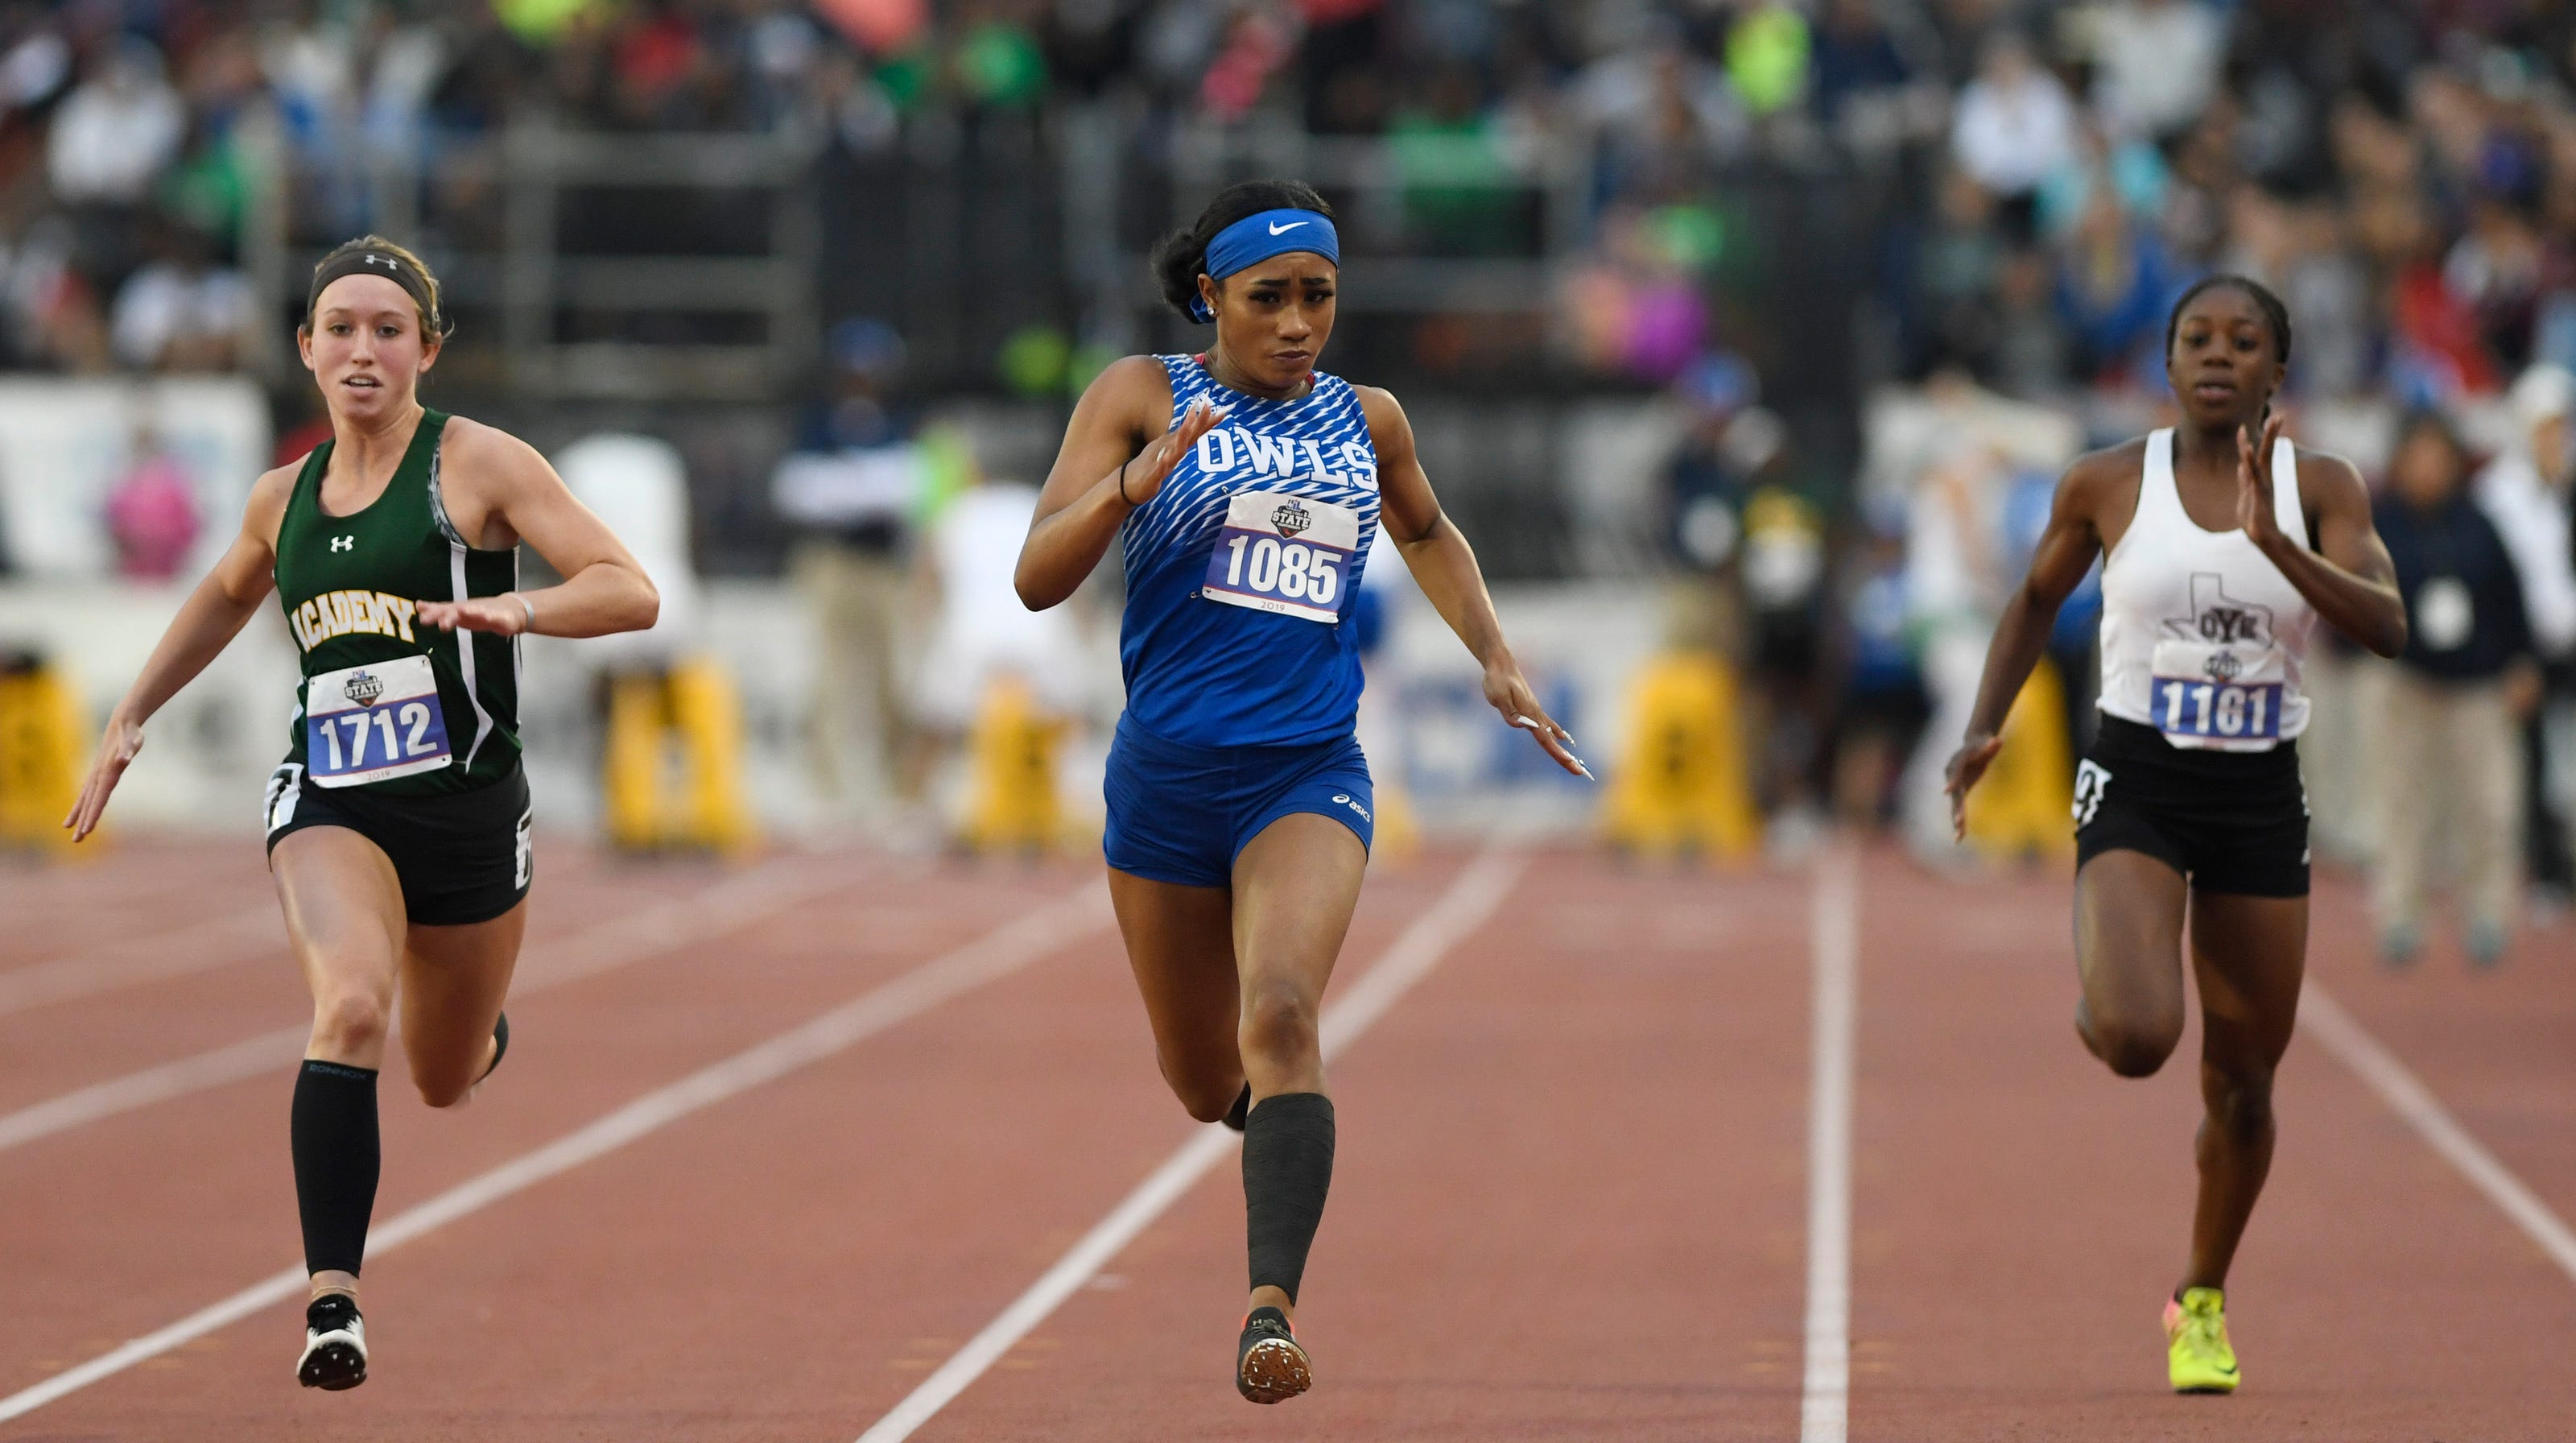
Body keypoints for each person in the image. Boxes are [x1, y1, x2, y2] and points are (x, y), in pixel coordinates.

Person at [1013, 180, 1583, 1405]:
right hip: (1163, 787)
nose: (1296, 324)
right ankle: (1274, 1126)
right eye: (1268, 298)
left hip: (1305, 774)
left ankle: (1269, 1311)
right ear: (1210, 296)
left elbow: (1427, 533)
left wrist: (1495, 656)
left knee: (1280, 1015)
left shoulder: (1366, 420)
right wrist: (1134, 486)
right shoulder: (1140, 396)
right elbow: (1033, 578)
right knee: (1201, 1078)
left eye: (1318, 296)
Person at [62, 236, 658, 1391]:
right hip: (334, 803)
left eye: (388, 329)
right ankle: (333, 1302)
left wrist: (518, 614)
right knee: (348, 1007)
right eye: (340, 328)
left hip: (473, 817)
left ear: (427, 350)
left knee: (441, 1073)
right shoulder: (279, 499)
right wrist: (131, 712)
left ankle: (479, 1031)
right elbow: (226, 593)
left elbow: (629, 587)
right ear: (305, 349)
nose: (362, 350)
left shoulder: (477, 465)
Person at [1943, 275, 2406, 1395]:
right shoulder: (2106, 482)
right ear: (2168, 361)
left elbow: (2387, 624)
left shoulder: (2323, 488)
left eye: (2243, 342)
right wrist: (1983, 725)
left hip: (2257, 798)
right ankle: (2108, 989)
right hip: (2140, 779)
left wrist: (2281, 548)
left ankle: (2200, 1298)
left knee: (2243, 1087)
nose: (2217, 356)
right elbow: (2034, 600)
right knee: (2142, 1035)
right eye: (2197, 338)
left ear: (2275, 371)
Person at [2368, 409, 2541, 966]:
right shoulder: (2381, 524)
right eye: (2417, 456)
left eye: (2438, 457)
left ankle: (2488, 913)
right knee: (2403, 801)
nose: (2428, 468)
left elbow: (2511, 595)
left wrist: (2522, 661)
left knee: (2490, 804)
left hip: (2479, 684)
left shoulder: (2479, 522)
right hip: (2409, 681)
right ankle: (2400, 914)